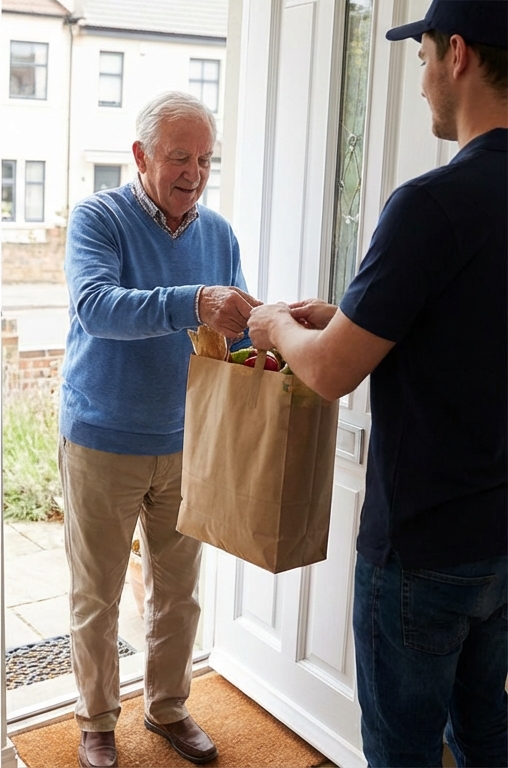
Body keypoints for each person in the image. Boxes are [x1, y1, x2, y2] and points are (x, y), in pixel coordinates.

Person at [247, 2, 506, 764]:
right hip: (500, 538)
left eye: (422, 57)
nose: (422, 81)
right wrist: (352, 317)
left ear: (456, 54)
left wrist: (272, 325)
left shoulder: (431, 203)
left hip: (422, 548)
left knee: (403, 749)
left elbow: (328, 371)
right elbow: (471, 326)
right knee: (489, 728)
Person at [60, 91, 259, 767]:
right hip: (101, 439)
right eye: (180, 157)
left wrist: (282, 335)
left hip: (187, 444)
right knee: (98, 595)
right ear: (142, 156)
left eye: (206, 159)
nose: (194, 173)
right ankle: (95, 719)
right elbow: (97, 308)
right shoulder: (98, 219)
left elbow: (231, 338)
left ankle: (168, 709)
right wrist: (194, 300)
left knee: (178, 594)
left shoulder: (220, 235)